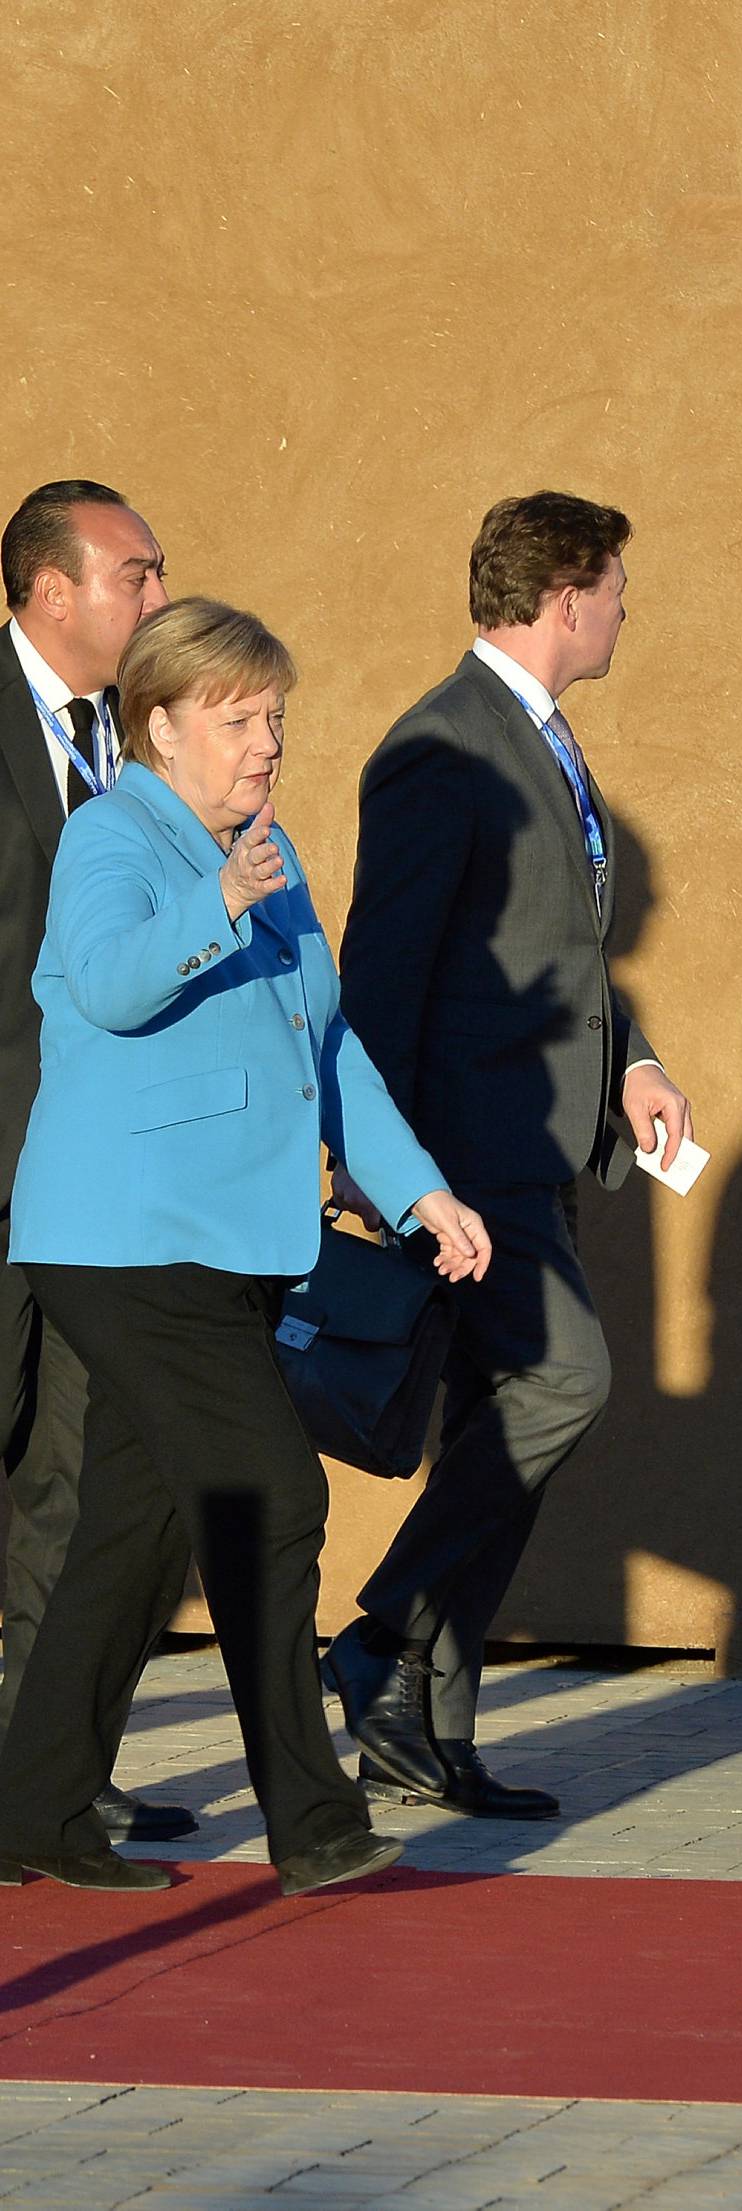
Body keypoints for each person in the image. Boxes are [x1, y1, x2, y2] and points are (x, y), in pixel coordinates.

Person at [0, 597, 491, 1895]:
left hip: (229, 1243)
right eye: (237, 717)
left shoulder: (269, 849)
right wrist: (215, 900)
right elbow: (104, 980)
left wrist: (420, 1191)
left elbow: (326, 1046)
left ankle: (33, 1809)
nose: (266, 740)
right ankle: (315, 1819)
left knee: (136, 1532)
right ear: (162, 724)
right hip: (125, 1240)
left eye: (274, 714)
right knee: (275, 1494)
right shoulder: (118, 835)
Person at [329, 491, 690, 1819]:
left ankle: (427, 1724)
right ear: (562, 595)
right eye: (613, 584)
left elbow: (563, 952)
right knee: (565, 1381)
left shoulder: (541, 737)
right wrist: (386, 1163)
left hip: (538, 1142)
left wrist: (634, 1061)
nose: (624, 608)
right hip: (466, 1154)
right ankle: (378, 1635)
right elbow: (386, 970)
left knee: (497, 1418)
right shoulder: (444, 747)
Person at [0, 479, 195, 1846]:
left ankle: (46, 1766)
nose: (158, 599)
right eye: (138, 573)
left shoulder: (137, 751)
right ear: (52, 590)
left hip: (99, 1188)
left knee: (75, 1478)